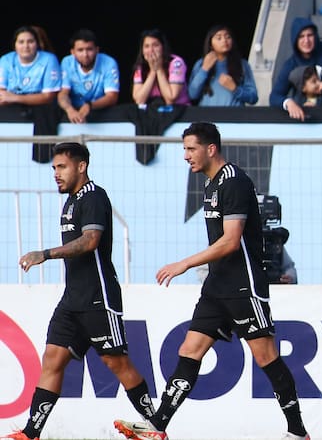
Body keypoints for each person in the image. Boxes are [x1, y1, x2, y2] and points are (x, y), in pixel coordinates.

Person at [113, 122, 309, 440]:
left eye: (191, 149)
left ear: (211, 148)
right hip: (217, 286)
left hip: (244, 286)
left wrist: (184, 264)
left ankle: (297, 431)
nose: (186, 156)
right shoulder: (211, 184)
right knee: (190, 349)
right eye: (184, 149)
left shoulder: (234, 182)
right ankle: (158, 426)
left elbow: (231, 241)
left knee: (265, 356)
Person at [3, 143, 155, 440]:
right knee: (52, 358)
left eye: (62, 167)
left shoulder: (94, 196)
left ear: (81, 166)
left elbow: (90, 241)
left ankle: (155, 425)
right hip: (72, 299)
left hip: (98, 297)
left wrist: (45, 254)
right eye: (54, 168)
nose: (56, 174)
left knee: (116, 363)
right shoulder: (71, 201)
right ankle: (31, 433)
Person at [58, 29, 120, 124]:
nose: (85, 55)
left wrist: (89, 106)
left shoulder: (109, 63)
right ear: (72, 52)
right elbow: (63, 94)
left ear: (97, 50)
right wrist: (70, 110)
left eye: (89, 49)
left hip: (100, 109)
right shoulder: (67, 62)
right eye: (80, 50)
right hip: (74, 109)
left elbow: (112, 97)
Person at [188, 24, 258, 107]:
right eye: (219, 38)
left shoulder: (242, 64)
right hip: (208, 113)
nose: (224, 40)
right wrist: (204, 69)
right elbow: (192, 95)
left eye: (228, 37)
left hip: (234, 114)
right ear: (210, 44)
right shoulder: (200, 64)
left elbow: (253, 97)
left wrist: (235, 89)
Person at [0, 26, 61, 107]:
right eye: (21, 42)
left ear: (37, 44)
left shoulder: (49, 59)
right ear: (15, 45)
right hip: (10, 107)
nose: (26, 46)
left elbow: (48, 96)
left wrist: (15, 97)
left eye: (30, 41)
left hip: (41, 108)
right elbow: (1, 92)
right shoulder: (6, 59)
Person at [132, 28, 191, 107]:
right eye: (146, 46)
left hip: (178, 110)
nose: (151, 50)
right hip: (152, 111)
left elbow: (170, 98)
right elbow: (139, 100)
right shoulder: (140, 67)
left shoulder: (176, 63)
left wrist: (159, 69)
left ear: (163, 47)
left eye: (155, 45)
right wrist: (153, 71)